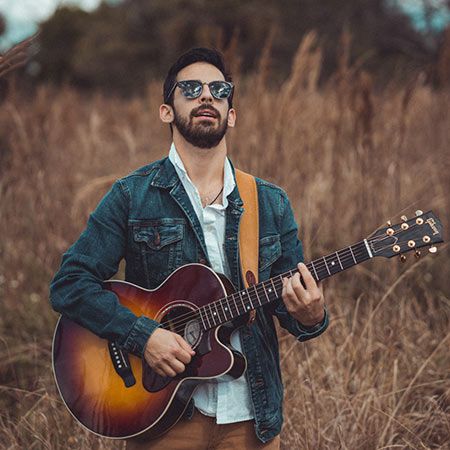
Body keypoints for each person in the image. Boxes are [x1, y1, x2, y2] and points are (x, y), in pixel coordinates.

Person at [50, 47, 329, 450]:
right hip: (162, 416)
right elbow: (69, 283)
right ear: (167, 111)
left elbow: (291, 306)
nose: (207, 96)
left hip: (252, 416)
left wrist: (311, 314)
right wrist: (143, 335)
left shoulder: (269, 202)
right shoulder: (132, 196)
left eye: (219, 89)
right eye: (191, 88)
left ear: (231, 114)